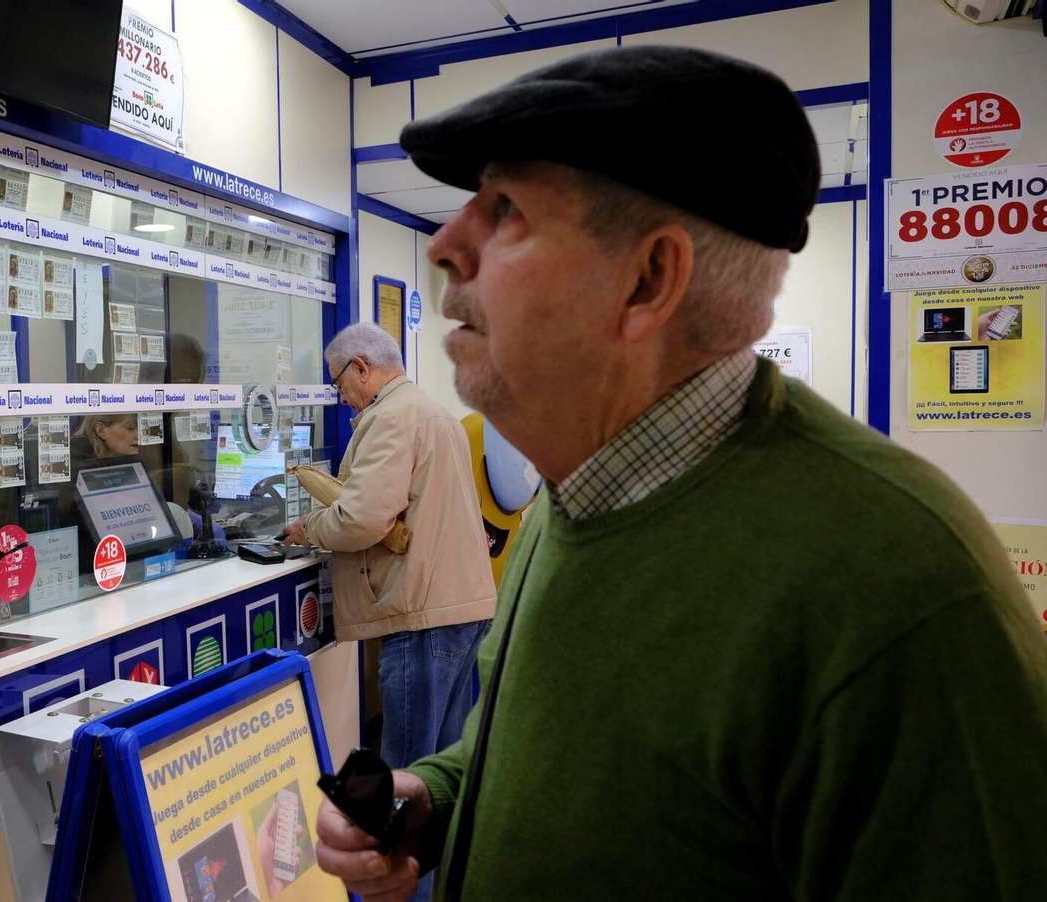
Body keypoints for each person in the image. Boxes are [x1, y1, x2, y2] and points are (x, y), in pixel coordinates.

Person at [314, 46, 1047, 902]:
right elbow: (519, 742)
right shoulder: (576, 489)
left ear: (649, 279)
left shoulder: (902, 594)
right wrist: (436, 796)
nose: (444, 246)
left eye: (506, 209)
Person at [283, 324, 495, 803]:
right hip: (461, 611)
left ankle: (402, 878)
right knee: (441, 777)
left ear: (362, 367)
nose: (340, 397)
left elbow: (362, 519)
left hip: (422, 618)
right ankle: (434, 878)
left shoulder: (390, 418)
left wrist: (310, 529)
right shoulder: (434, 412)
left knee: (406, 781)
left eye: (338, 383)